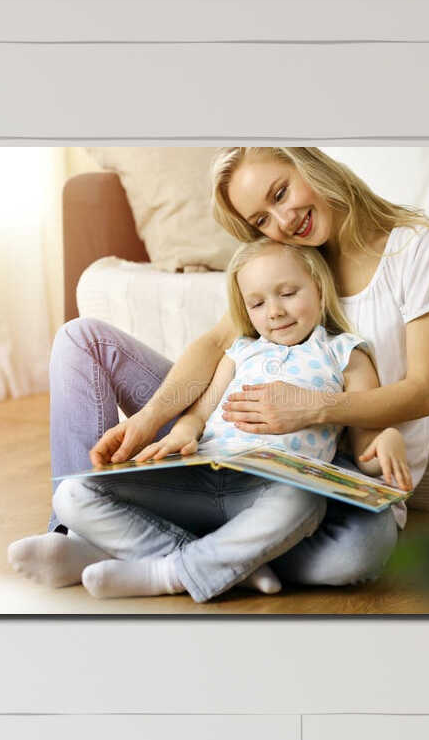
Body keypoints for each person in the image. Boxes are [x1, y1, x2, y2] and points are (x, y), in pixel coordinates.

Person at [12, 145, 429, 594]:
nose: (283, 222)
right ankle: (76, 535)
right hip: (232, 435)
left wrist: (312, 409)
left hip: (335, 466)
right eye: (262, 220)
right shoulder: (293, 251)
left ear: (309, 163)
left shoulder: (418, 248)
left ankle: (144, 549)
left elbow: (421, 391)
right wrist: (154, 421)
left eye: (280, 193)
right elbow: (215, 345)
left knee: (355, 557)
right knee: (82, 340)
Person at [28, 239, 404, 601]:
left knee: (302, 499)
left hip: (273, 490)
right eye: (257, 303)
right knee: (73, 493)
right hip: (203, 477)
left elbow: (365, 436)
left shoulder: (345, 354)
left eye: (288, 293)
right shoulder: (240, 351)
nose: (274, 311)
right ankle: (226, 565)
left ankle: (169, 573)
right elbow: (200, 414)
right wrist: (182, 432)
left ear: (320, 289)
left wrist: (387, 440)